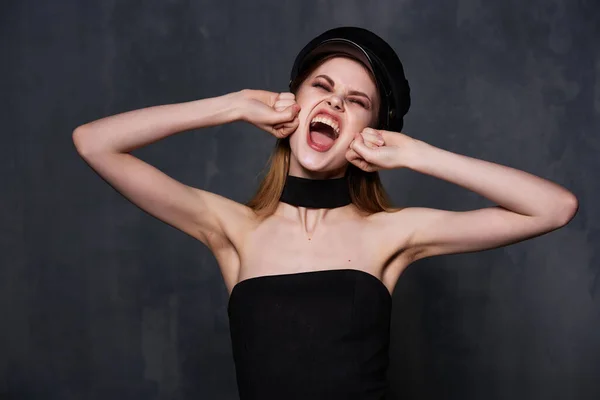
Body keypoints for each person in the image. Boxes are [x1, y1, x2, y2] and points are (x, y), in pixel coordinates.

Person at [72, 27, 578, 400]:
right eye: (322, 87)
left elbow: (554, 208)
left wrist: (415, 154)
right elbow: (94, 143)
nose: (335, 103)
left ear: (371, 130)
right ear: (292, 106)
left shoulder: (393, 233)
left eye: (356, 101)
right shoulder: (234, 230)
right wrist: (230, 105)